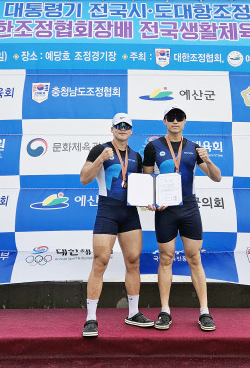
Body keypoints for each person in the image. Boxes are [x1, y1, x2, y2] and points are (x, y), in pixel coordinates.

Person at [143, 105, 222, 332]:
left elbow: (216, 177)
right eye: (171, 117)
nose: (175, 121)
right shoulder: (153, 147)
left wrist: (208, 160)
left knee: (194, 257)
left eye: (179, 117)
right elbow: (147, 180)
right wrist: (152, 200)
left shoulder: (194, 148)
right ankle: (165, 311)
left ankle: (204, 312)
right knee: (166, 258)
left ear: (185, 121)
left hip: (188, 207)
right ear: (165, 121)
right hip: (166, 210)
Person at [79, 113, 154, 338]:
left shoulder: (136, 156)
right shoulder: (99, 149)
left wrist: (150, 201)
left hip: (129, 213)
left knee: (133, 261)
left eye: (126, 126)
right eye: (118, 125)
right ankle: (91, 318)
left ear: (131, 130)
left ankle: (133, 313)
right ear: (111, 129)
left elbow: (141, 186)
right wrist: (101, 159)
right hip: (108, 211)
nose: (122, 128)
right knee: (100, 261)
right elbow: (84, 178)